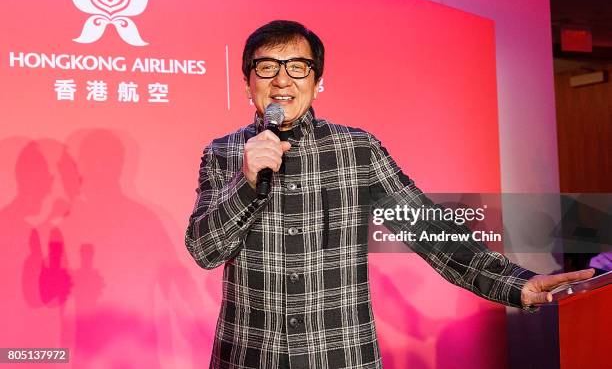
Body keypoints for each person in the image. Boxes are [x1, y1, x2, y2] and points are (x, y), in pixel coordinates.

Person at [185, 20, 595, 369]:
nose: (281, 80)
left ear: (317, 81)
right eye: (267, 66)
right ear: (247, 81)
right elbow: (205, 250)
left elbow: (429, 229)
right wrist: (247, 181)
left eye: (297, 66)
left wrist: (516, 284)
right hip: (249, 356)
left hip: (341, 355)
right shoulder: (223, 154)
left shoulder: (357, 149)